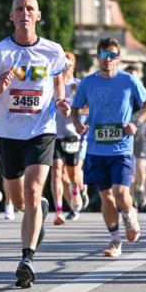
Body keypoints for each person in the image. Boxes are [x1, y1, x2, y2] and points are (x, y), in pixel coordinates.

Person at [0, 0, 70, 288]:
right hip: (7, 134)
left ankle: (27, 259)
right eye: (19, 9)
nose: (24, 13)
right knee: (18, 200)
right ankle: (38, 209)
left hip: (41, 130)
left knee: (33, 189)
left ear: (38, 16)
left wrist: (61, 101)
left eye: (30, 9)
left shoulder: (53, 51)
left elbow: (58, 79)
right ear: (12, 16)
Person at [71, 37, 146, 259]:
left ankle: (129, 212)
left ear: (118, 58)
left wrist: (136, 123)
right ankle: (115, 240)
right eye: (104, 55)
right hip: (96, 149)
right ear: (98, 57)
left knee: (120, 193)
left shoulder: (129, 81)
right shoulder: (87, 83)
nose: (108, 59)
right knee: (106, 197)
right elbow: (75, 108)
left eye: (112, 55)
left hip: (122, 149)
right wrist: (77, 123)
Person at [51, 52, 83, 224]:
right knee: (56, 171)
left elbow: (89, 108)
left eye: (68, 65)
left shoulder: (78, 85)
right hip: (53, 134)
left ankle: (76, 190)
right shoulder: (52, 84)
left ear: (73, 66)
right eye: (62, 65)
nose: (65, 68)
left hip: (72, 135)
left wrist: (74, 110)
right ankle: (58, 211)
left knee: (72, 174)